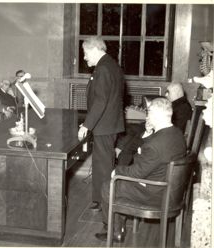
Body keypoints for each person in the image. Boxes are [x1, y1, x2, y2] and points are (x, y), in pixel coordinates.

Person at [94, 97, 187, 243]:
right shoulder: (177, 134)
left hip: (156, 193)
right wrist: (148, 134)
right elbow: (153, 156)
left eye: (149, 113)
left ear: (156, 115)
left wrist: (117, 171)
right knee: (122, 186)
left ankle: (114, 231)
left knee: (108, 186)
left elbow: (137, 171)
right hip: (173, 191)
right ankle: (119, 227)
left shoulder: (155, 144)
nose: (147, 116)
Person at [77, 36, 126, 212]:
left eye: (85, 53)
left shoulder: (104, 68)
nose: (84, 57)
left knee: (104, 167)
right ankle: (99, 199)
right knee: (100, 164)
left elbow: (100, 101)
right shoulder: (108, 64)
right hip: (106, 125)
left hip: (105, 125)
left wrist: (86, 125)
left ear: (95, 49)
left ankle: (108, 210)